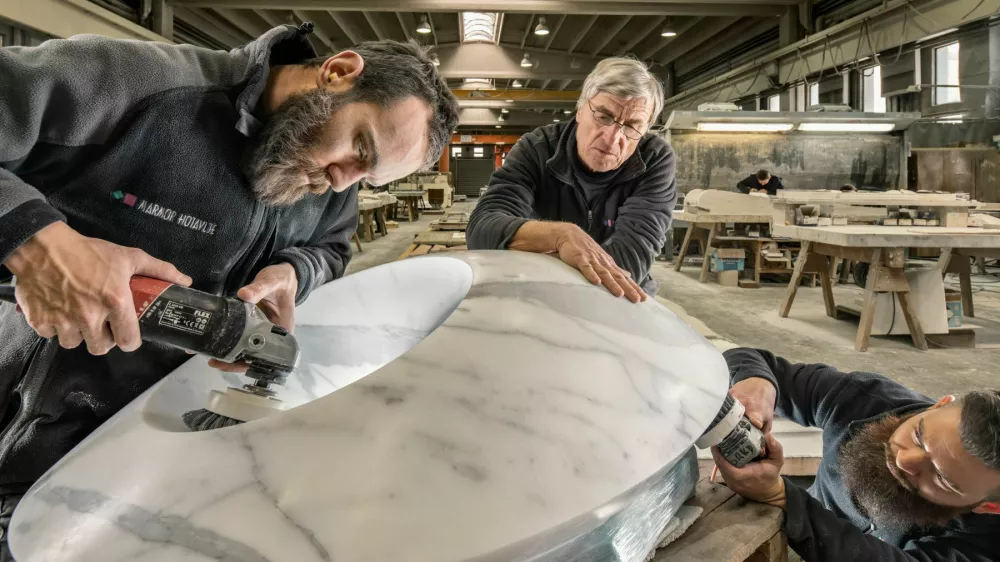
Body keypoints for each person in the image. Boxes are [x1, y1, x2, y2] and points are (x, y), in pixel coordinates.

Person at [0, 23, 458, 553]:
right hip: (27, 436)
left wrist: (293, 272)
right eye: (361, 146)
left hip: (157, 444)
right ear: (337, 73)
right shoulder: (136, 84)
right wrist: (34, 242)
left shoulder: (333, 181)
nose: (342, 181)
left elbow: (332, 248)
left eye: (366, 179)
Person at [712, 347, 1000, 561]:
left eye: (941, 478)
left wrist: (782, 498)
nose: (904, 460)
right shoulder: (868, 400)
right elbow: (750, 358)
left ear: (987, 506)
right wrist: (758, 383)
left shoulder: (984, 542)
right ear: (939, 405)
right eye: (918, 435)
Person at [466, 58, 676, 303]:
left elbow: (631, 261)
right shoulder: (537, 148)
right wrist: (561, 235)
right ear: (580, 109)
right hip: (542, 289)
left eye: (631, 126)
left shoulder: (654, 159)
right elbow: (482, 230)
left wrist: (536, 252)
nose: (612, 138)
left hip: (615, 293)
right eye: (604, 116)